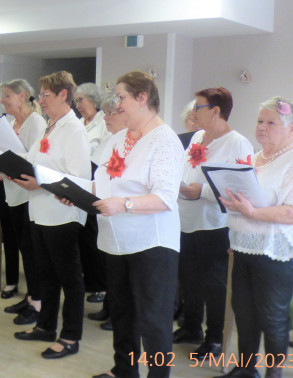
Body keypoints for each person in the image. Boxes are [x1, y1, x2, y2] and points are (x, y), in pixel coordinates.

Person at [88, 71, 183, 378]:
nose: (117, 104)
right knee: (123, 313)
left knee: (153, 320)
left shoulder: (164, 140)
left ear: (142, 98)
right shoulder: (118, 138)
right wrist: (73, 193)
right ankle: (125, 370)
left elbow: (165, 198)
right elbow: (103, 182)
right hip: (116, 240)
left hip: (151, 244)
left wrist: (124, 204)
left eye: (121, 97)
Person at [217, 97, 293, 378]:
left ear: (291, 128)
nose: (262, 127)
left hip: (278, 251)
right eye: (260, 121)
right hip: (245, 246)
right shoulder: (254, 158)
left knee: (271, 315)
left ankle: (274, 374)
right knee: (244, 310)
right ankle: (246, 369)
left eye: (271, 122)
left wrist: (251, 211)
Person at [13, 72, 91, 360]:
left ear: (63, 95)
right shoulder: (51, 127)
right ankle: (46, 326)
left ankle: (70, 337)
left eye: (46, 95)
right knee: (46, 275)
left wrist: (40, 183)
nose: (41, 101)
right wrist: (10, 169)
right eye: (41, 95)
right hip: (40, 212)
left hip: (62, 215)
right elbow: (32, 161)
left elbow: (80, 177)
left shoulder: (73, 129)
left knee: (69, 279)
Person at [176, 88, 253, 360]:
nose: (193, 112)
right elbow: (187, 170)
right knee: (189, 280)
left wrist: (203, 192)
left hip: (214, 225)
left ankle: (215, 339)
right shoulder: (198, 136)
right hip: (186, 219)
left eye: (199, 107)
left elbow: (241, 189)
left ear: (216, 111)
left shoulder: (238, 143)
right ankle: (191, 327)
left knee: (213, 285)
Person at [0, 79, 46, 325]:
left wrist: (6, 161)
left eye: (7, 96)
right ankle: (31, 295)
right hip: (12, 192)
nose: (2, 100)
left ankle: (38, 301)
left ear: (22, 96)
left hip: (28, 195)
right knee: (24, 247)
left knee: (32, 251)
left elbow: (35, 160)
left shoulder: (36, 123)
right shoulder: (13, 123)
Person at [85, 93, 128, 331]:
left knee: (120, 272)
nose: (106, 118)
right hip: (105, 212)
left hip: (121, 215)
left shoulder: (128, 141)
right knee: (109, 265)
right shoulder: (109, 141)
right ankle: (109, 308)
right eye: (105, 113)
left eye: (110, 113)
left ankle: (116, 313)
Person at [76, 82, 110, 306]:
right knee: (82, 236)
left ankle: (100, 285)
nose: (77, 105)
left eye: (81, 100)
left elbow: (99, 155)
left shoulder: (103, 124)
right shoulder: (79, 124)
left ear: (94, 101)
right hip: (78, 183)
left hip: (94, 181)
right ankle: (89, 280)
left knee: (92, 236)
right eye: (76, 100)